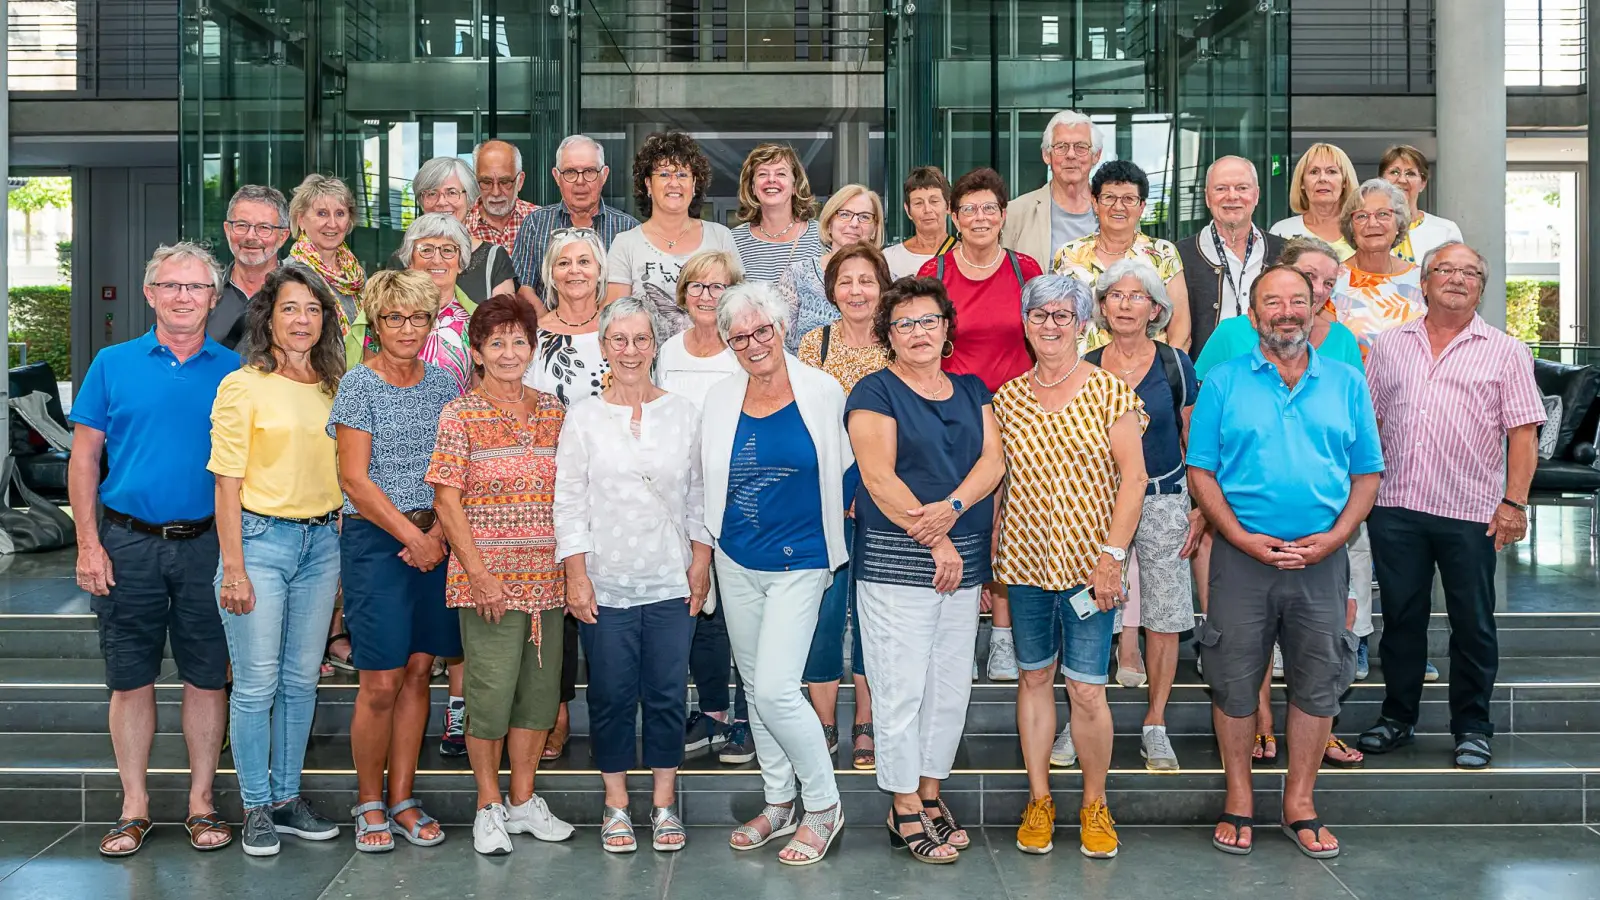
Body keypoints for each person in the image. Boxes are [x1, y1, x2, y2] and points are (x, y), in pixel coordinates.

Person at [1187, 265, 1382, 860]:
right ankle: (1240, 798)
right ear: (1254, 315)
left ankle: (1300, 802)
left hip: (1322, 558)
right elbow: (1201, 470)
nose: (1287, 312)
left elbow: (1367, 473)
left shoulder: (1347, 381)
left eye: (1298, 301)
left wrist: (1335, 539)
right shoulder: (1222, 381)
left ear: (1315, 309)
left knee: (1318, 681)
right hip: (1242, 559)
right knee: (1235, 681)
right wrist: (1240, 538)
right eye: (1274, 302)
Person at [70, 243, 241, 858]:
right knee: (130, 679)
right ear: (150, 294)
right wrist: (88, 544)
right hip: (127, 543)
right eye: (170, 286)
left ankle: (201, 804)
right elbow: (84, 459)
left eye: (195, 288)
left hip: (207, 546)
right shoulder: (112, 364)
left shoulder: (234, 371)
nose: (183, 297)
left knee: (206, 678)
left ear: (213, 299)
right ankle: (133, 806)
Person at [1357, 242, 1545, 770]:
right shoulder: (1390, 345)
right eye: (1446, 269)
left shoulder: (1507, 350)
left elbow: (1523, 434)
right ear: (1424, 281)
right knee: (1401, 620)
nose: (1458, 279)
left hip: (1473, 513)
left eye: (1470, 272)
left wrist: (1515, 503)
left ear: (1481, 287)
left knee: (1473, 622)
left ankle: (1472, 726)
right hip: (1396, 507)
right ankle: (1398, 717)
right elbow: (1367, 426)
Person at [848, 276, 1005, 864]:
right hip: (897, 561)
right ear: (889, 335)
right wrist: (935, 540)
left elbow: (992, 462)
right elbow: (879, 478)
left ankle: (932, 794)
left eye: (928, 320)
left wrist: (954, 511)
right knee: (900, 690)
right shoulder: (874, 392)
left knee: (949, 690)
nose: (918, 332)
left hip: (962, 557)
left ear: (946, 328)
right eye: (905, 323)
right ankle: (904, 804)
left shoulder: (972, 389)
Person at [995, 275, 1147, 860]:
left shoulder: (1111, 392)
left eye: (1063, 315)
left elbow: (1133, 480)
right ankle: (1040, 800)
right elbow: (1000, 485)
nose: (1051, 326)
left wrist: (1113, 557)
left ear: (1084, 323)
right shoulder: (1006, 399)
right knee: (1034, 679)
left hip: (1093, 570)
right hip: (1026, 566)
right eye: (1040, 316)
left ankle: (1093, 804)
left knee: (1086, 691)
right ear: (1026, 323)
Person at [555, 297, 713, 853]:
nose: (629, 350)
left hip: (671, 579)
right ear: (603, 347)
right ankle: (617, 804)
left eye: (640, 339)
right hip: (606, 580)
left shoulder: (684, 412)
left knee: (668, 693)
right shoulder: (583, 416)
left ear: (654, 345)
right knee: (612, 694)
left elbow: (699, 493)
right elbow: (569, 500)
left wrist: (700, 562)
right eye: (618, 340)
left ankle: (664, 804)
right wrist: (576, 575)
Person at [701, 281, 849, 866]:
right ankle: (778, 799)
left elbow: (851, 464)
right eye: (739, 336)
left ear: (783, 327)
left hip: (802, 559)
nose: (753, 343)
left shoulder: (822, 389)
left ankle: (823, 805)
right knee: (757, 687)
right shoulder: (718, 397)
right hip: (736, 557)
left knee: (776, 690)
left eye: (763, 330)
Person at [426, 294, 575, 855]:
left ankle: (523, 802)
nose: (509, 352)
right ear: (477, 352)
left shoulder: (555, 411)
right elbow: (446, 499)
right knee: (488, 696)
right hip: (486, 581)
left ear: (533, 349)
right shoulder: (460, 414)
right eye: (497, 342)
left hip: (549, 581)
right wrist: (480, 573)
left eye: (519, 341)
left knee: (538, 697)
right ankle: (488, 806)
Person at [209, 262, 347, 857]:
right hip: (260, 545)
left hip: (322, 546)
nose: (302, 320)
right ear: (268, 317)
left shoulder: (337, 385)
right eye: (290, 308)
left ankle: (288, 799)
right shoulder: (243, 384)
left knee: (298, 683)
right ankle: (257, 806)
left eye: (313, 310)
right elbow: (226, 483)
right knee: (257, 684)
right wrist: (234, 567)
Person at [329, 269, 461, 852]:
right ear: (376, 325)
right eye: (394, 318)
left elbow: (454, 471)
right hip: (377, 542)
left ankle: (403, 798)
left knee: (417, 672)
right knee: (379, 680)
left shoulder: (445, 386)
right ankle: (369, 802)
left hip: (435, 540)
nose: (407, 328)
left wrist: (437, 537)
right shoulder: (358, 385)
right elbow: (354, 480)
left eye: (418, 318)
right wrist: (414, 535)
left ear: (432, 323)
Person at [917, 167, 1043, 682]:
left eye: (989, 208)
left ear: (1003, 215)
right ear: (954, 217)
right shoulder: (936, 271)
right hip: (953, 413)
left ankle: (1004, 639)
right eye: (969, 209)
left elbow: (1046, 332)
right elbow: (919, 337)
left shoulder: (1024, 268)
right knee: (964, 519)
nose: (980, 217)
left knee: (1010, 524)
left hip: (1017, 410)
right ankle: (959, 632)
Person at [1083, 259, 1198, 773]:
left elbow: (1192, 440)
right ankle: (1081, 719)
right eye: (1115, 295)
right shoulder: (1082, 363)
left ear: (1156, 308)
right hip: (1095, 504)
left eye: (1138, 296)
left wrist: (1198, 506)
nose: (1126, 305)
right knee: (1087, 607)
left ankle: (1156, 723)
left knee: (1166, 615)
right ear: (1102, 306)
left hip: (1164, 498)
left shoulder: (1176, 363)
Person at [654, 249, 756, 765]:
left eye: (718, 287)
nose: (706, 296)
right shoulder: (668, 350)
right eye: (697, 286)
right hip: (680, 498)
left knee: (738, 606)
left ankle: (746, 719)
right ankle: (713, 713)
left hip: (736, 493)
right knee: (700, 602)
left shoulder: (743, 352)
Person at [796, 242, 892, 770]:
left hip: (885, 498)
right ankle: (825, 722)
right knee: (827, 611)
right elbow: (808, 427)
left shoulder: (897, 342)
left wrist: (868, 484)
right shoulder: (816, 344)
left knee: (873, 612)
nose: (857, 291)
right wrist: (839, 487)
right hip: (824, 497)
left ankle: (866, 722)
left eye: (867, 280)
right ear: (832, 290)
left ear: (882, 288)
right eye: (846, 281)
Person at [606, 131, 737, 334]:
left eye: (683, 175)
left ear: (694, 185)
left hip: (711, 359)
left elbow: (735, 308)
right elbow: (615, 319)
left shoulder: (720, 237)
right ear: (648, 184)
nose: (674, 183)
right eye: (664, 174)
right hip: (644, 361)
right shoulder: (625, 243)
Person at [1052, 160, 1190, 351]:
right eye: (1109, 197)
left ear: (1141, 206)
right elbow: (1056, 319)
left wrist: (1168, 371)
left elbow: (1181, 328)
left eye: (1128, 199)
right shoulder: (1069, 254)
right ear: (1094, 202)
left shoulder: (1163, 253)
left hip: (1150, 374)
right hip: (1083, 374)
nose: (1118, 207)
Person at [1177, 157, 1285, 359]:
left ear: (1256, 195)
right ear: (1207, 197)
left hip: (1274, 378)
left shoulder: (1284, 253)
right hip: (1205, 379)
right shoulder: (1179, 256)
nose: (1232, 196)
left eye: (1242, 188)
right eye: (1221, 189)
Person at [513, 134, 640, 302]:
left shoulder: (628, 229)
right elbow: (523, 289)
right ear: (557, 177)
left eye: (589, 171)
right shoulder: (535, 225)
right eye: (571, 172)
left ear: (604, 175)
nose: (580, 181)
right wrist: (552, 325)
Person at [364, 213, 479, 393]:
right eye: (426, 250)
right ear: (410, 259)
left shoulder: (476, 323)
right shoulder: (387, 314)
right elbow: (368, 382)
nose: (437, 259)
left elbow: (479, 395)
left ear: (461, 261)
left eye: (448, 250)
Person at [386, 156, 516, 304]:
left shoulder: (494, 259)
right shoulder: (403, 257)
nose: (441, 202)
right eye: (431, 193)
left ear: (471, 199)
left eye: (452, 193)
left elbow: (505, 322)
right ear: (421, 202)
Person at [780, 183, 886, 352]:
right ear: (829, 224)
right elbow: (782, 345)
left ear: (874, 229)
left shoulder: (888, 280)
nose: (854, 223)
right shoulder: (797, 275)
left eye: (865, 217)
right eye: (844, 214)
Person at [1334, 179, 1426, 360]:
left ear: (1399, 224)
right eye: (1361, 216)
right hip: (1355, 386)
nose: (1372, 223)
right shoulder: (1331, 281)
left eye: (1383, 214)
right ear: (1351, 228)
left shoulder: (1422, 280)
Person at [1003, 110, 1104, 266]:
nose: (1071, 155)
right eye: (1061, 147)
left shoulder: (1114, 210)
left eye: (1081, 147)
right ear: (1046, 155)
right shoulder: (1016, 212)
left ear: (1096, 155)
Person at [525, 227, 611, 406]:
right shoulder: (533, 337)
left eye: (584, 261)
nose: (574, 270)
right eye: (563, 263)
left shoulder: (619, 331)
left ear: (600, 271)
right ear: (551, 275)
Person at [731, 142, 824, 283]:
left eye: (781, 173)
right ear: (753, 188)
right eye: (762, 174)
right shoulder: (733, 241)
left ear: (795, 186)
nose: (771, 179)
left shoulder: (821, 236)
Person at [211, 185, 290, 349]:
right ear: (227, 230)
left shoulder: (302, 294)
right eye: (241, 225)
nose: (251, 236)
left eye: (264, 228)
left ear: (283, 237)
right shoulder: (205, 291)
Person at [288, 173, 366, 332]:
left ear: (349, 221)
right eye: (322, 213)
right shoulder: (289, 273)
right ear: (301, 220)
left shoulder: (357, 275)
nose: (332, 224)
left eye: (340, 214)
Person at [1270, 143, 1361, 258]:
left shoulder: (1361, 228)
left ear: (1344, 182)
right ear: (1302, 183)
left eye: (1331, 171)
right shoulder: (1282, 231)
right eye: (1314, 172)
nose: (1322, 179)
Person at [1379, 144, 1463, 265]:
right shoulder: (1368, 227)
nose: (1402, 180)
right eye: (1394, 172)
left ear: (1423, 183)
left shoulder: (1446, 230)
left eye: (1410, 174)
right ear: (1381, 181)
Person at [882, 166, 955, 279]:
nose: (927, 210)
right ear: (908, 210)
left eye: (934, 201)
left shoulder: (965, 254)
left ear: (948, 206)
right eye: (918, 203)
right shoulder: (890, 258)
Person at [466, 139, 538, 252]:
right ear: (476, 182)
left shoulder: (541, 221)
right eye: (486, 182)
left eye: (505, 182)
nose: (496, 192)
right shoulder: (462, 226)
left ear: (520, 181)